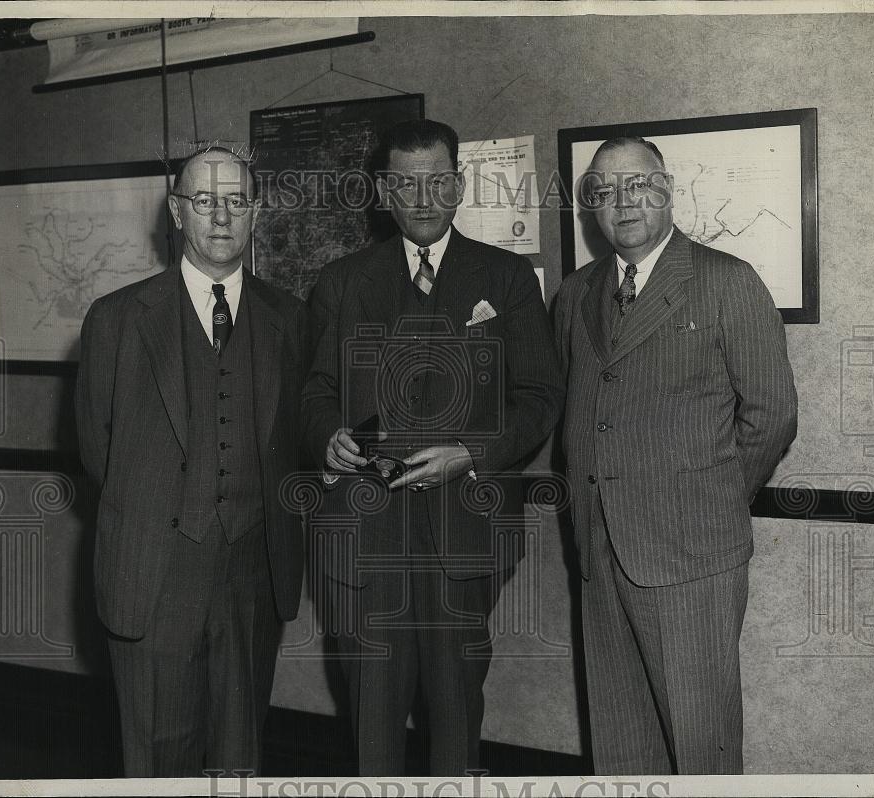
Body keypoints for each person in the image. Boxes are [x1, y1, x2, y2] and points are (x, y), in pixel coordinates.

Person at [302, 119, 564, 775]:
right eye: (407, 183)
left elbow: (537, 397)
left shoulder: (506, 279)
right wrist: (324, 435)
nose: (423, 198)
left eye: (437, 182)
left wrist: (469, 453)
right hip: (364, 538)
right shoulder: (341, 281)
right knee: (372, 719)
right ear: (384, 191)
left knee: (455, 716)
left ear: (459, 186)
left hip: (465, 538)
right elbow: (312, 392)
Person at [554, 136, 798, 775]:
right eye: (603, 192)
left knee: (700, 742)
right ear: (590, 208)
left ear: (666, 189)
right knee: (620, 741)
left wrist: (710, 499)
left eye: (637, 184)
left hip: (692, 553)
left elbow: (771, 415)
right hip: (600, 549)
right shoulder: (577, 293)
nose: (621, 202)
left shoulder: (726, 282)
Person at [75, 146, 307, 777]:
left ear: (255, 213)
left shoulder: (289, 319)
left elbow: (296, 446)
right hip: (154, 576)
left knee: (239, 762)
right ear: (177, 212)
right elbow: (96, 449)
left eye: (236, 200)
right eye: (204, 200)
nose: (221, 215)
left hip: (254, 576)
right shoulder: (117, 319)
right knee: (157, 764)